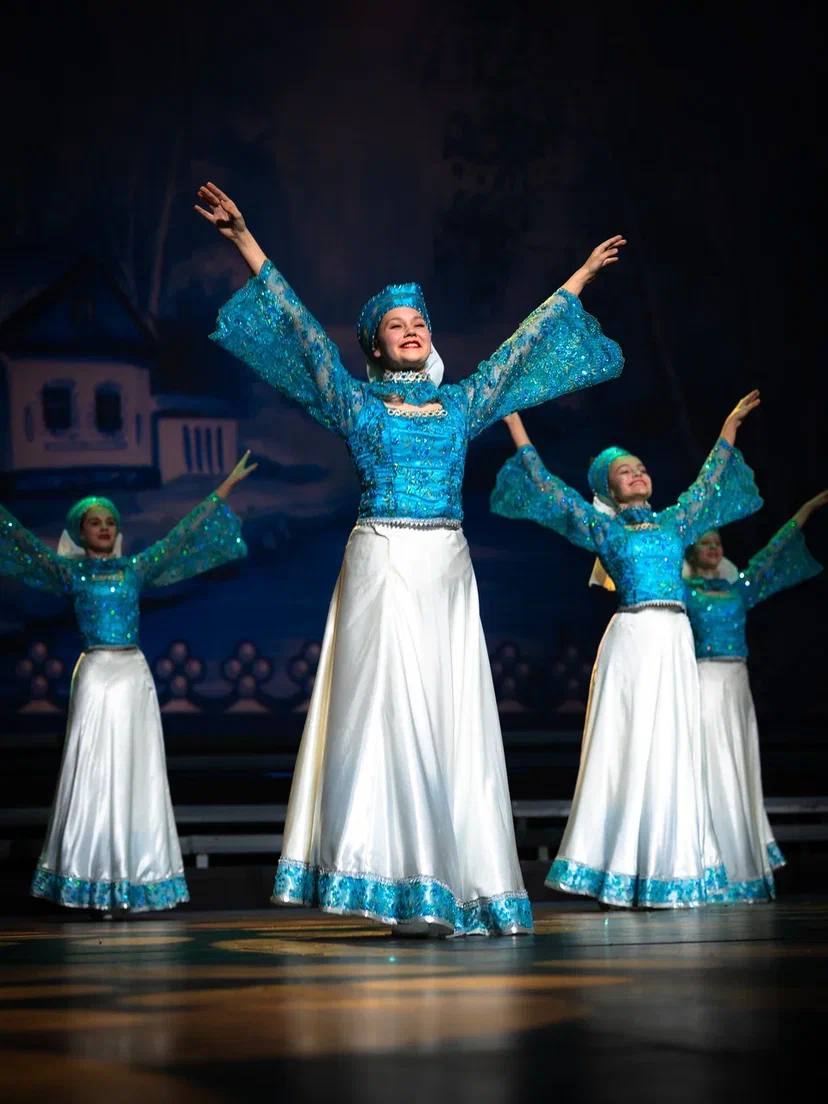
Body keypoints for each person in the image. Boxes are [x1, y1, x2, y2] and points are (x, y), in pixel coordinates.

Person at [196, 179, 626, 936]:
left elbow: (521, 349)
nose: (411, 330)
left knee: (449, 711)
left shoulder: (461, 402)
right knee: (389, 711)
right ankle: (398, 877)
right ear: (375, 345)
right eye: (396, 325)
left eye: (419, 321)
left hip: (447, 567)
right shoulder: (356, 403)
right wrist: (244, 240)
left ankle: (460, 881)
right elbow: (301, 331)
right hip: (383, 559)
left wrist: (581, 278)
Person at [490, 396, 763, 908]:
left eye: (640, 468)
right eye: (624, 471)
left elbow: (708, 482)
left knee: (673, 747)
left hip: (674, 640)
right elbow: (548, 488)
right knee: (628, 746)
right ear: (608, 490)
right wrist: (515, 425)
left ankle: (672, 868)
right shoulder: (605, 528)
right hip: (633, 639)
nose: (637, 474)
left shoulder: (677, 523)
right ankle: (616, 869)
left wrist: (729, 426)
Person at [0, 453, 255, 913]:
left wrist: (225, 488)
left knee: (136, 772)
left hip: (133, 675)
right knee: (93, 772)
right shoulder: (71, 572)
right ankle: (89, 880)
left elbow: (181, 538)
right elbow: (21, 544)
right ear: (80, 532)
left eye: (110, 522)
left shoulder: (135, 568)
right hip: (96, 674)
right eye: (94, 522)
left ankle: (137, 880)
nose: (104, 528)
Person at [683, 491, 826, 901]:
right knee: (713, 763)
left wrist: (805, 510)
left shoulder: (738, 589)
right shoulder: (686, 591)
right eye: (706, 543)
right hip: (705, 680)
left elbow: (771, 555)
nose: (714, 548)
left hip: (737, 683)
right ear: (692, 551)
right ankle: (708, 860)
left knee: (739, 763)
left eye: (718, 543)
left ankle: (743, 861)